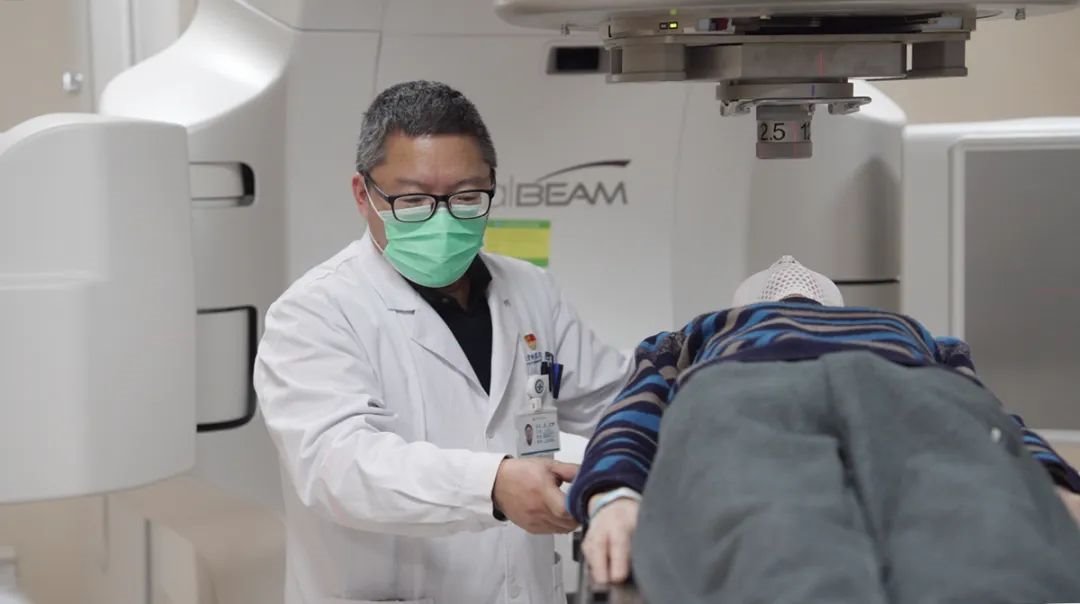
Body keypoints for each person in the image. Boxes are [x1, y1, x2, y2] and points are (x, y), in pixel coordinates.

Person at [253, 80, 632, 604]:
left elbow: (614, 400)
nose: (444, 217)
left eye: (467, 197)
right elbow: (336, 468)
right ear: (364, 195)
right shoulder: (315, 312)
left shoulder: (530, 290)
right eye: (413, 200)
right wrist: (491, 485)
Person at [570, 256, 1080, 604]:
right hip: (908, 383)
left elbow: (634, 412)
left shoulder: (700, 334)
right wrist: (1049, 480)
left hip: (743, 387)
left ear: (742, 306)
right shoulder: (917, 333)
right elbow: (991, 418)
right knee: (978, 547)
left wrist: (613, 496)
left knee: (775, 546)